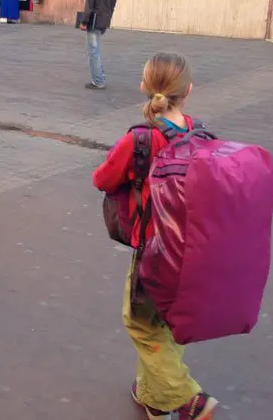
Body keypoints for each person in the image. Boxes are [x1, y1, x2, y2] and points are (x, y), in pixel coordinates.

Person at [93, 52, 219, 420]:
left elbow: (101, 179)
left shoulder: (141, 139)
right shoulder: (201, 133)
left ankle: (187, 399)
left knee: (141, 324)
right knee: (166, 323)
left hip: (155, 250)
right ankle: (152, 396)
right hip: (194, 249)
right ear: (189, 91)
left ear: (145, 88)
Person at [81, 0, 117, 90]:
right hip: (104, 19)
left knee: (93, 51)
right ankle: (99, 77)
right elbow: (113, 1)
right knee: (96, 49)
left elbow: (89, 3)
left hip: (94, 20)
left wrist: (84, 21)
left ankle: (98, 81)